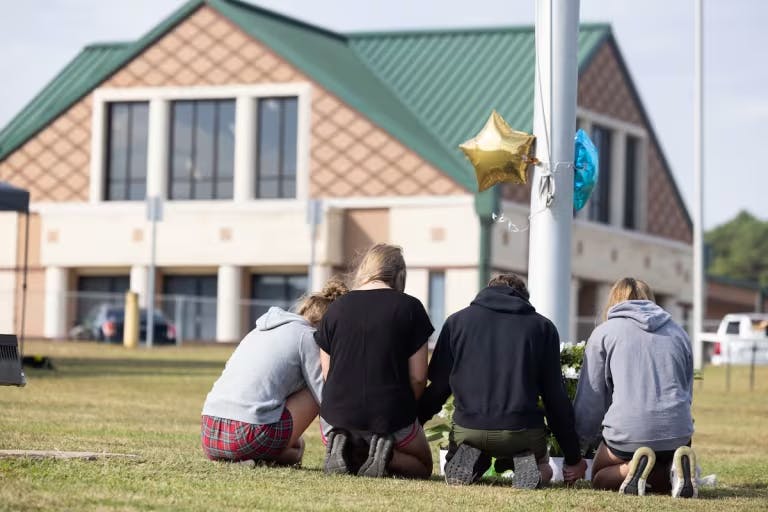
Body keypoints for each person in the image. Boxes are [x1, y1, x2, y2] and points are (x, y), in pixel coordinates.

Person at [419, 273, 588, 488]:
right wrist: (573, 458)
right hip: (522, 430)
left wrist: (416, 421)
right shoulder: (543, 328)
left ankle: (470, 460)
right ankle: (530, 464)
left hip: (469, 428)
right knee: (544, 468)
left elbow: (440, 388)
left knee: (471, 448)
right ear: (524, 298)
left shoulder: (456, 322)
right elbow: (555, 399)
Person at [316, 244, 433, 479]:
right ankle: (386, 454)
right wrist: (405, 410)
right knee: (423, 466)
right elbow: (418, 378)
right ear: (400, 274)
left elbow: (328, 374)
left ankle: (347, 445)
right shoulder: (410, 307)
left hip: (336, 418)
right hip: (390, 416)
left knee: (356, 448)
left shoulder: (335, 308)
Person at [200, 279, 348, 466]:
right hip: (247, 434)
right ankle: (254, 456)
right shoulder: (308, 337)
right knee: (321, 388)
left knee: (295, 450)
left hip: (209, 433)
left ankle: (247, 459)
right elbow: (326, 399)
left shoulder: (258, 331)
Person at [572, 277, 697, 498]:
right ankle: (672, 471)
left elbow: (591, 398)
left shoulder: (604, 333)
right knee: (661, 461)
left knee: (599, 476)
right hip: (678, 434)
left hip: (628, 433)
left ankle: (632, 468)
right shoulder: (679, 333)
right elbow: (687, 391)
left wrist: (579, 445)